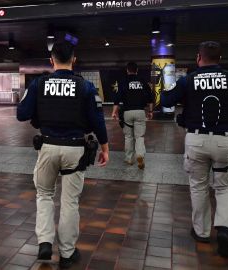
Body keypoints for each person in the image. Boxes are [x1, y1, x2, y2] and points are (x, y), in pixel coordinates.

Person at [161, 41, 228, 258]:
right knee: (225, 187)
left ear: (199, 58)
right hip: (225, 141)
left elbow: (166, 99)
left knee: (198, 186)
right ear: (220, 59)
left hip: (195, 140)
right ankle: (224, 230)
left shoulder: (188, 80)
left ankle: (201, 231)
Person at [17, 41, 109, 269]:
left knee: (45, 195)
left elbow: (22, 114)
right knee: (70, 202)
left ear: (52, 60)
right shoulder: (86, 87)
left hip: (47, 147)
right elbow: (97, 120)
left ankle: (45, 242)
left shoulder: (39, 84)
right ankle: (67, 254)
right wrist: (105, 147)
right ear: (74, 59)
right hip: (75, 150)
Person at [111, 62, 154, 169]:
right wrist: (150, 111)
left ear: (127, 70)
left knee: (128, 137)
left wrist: (114, 112)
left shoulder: (123, 81)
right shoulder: (142, 81)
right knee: (139, 136)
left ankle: (129, 159)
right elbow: (150, 98)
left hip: (127, 112)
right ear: (137, 70)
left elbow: (117, 99)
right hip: (140, 111)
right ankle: (140, 155)